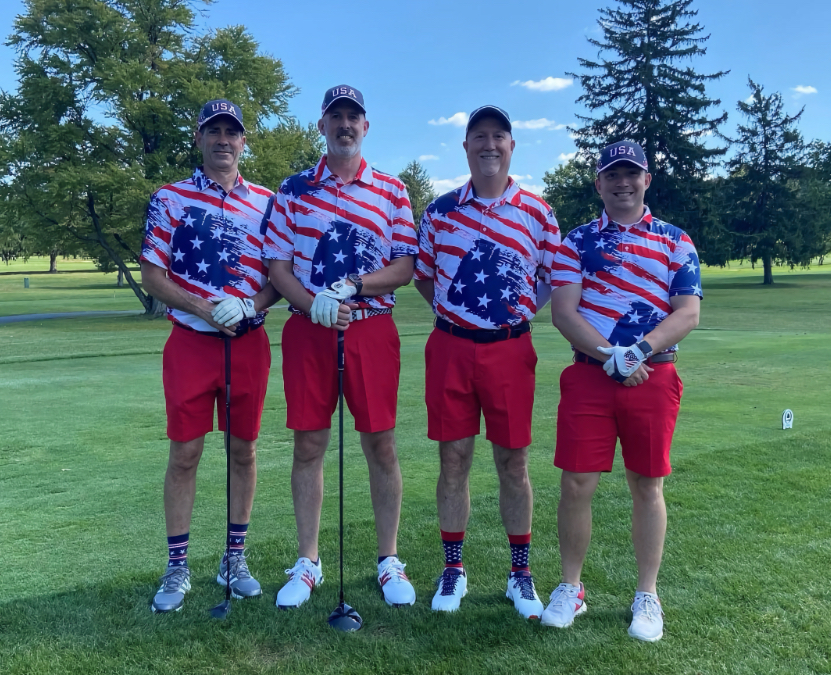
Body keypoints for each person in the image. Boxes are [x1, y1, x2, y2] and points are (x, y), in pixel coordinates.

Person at [265, 85, 418, 609]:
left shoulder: (393, 192)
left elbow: (404, 266)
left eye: (354, 117)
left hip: (372, 329)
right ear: (322, 125)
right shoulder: (292, 190)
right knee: (309, 444)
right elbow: (278, 267)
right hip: (308, 331)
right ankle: (308, 560)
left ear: (366, 127)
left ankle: (388, 558)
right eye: (336, 117)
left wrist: (353, 287)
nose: (345, 125)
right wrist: (314, 305)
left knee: (381, 444)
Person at [543, 141, 702, 641]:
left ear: (646, 180)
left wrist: (639, 351)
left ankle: (647, 595)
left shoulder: (676, 241)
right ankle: (571, 588)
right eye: (612, 174)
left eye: (631, 174)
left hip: (654, 376)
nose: (622, 182)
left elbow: (687, 311)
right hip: (591, 375)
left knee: (646, 484)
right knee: (576, 484)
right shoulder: (576, 242)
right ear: (599, 183)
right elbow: (564, 311)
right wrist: (612, 354)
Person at [413, 105, 561, 618]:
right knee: (453, 460)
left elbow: (551, 280)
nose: (489, 144)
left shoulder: (538, 213)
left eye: (499, 136)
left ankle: (520, 572)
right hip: (451, 347)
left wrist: (511, 315)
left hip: (510, 348)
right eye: (480, 136)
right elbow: (425, 277)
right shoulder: (439, 212)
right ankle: (453, 567)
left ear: (512, 146)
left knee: (513, 461)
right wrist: (462, 314)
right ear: (466, 146)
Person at [140, 99, 281, 613]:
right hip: (191, 344)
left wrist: (249, 304)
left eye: (232, 132)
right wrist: (205, 306)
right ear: (199, 138)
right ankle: (177, 566)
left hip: (248, 343)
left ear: (244, 141)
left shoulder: (268, 202)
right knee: (185, 454)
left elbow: (279, 277)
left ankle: (233, 557)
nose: (224, 139)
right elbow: (154, 276)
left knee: (243, 451)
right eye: (214, 131)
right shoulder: (169, 199)